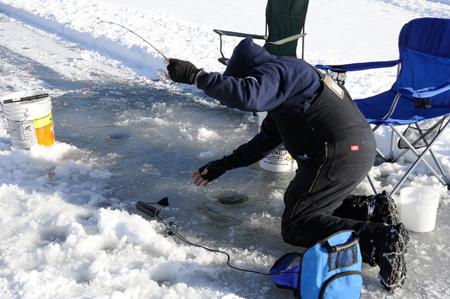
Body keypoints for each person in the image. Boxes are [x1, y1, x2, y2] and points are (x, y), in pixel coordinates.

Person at [166, 37, 409, 291]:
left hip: (339, 153)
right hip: (351, 149)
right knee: (297, 201)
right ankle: (369, 210)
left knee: (296, 223)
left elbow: (249, 96)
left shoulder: (281, 70)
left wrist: (196, 76)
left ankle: (381, 241)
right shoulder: (287, 86)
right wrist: (222, 165)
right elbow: (263, 143)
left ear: (252, 73)